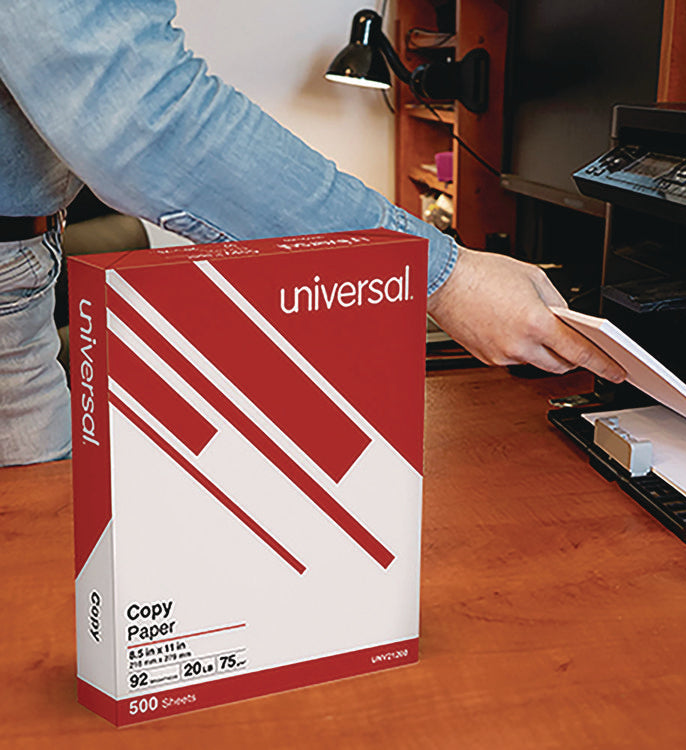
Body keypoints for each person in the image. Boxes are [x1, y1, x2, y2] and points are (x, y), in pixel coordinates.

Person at [0, 1, 624, 468]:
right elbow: (142, 117)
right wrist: (441, 275)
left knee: (41, 546)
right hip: (13, 279)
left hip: (25, 270)